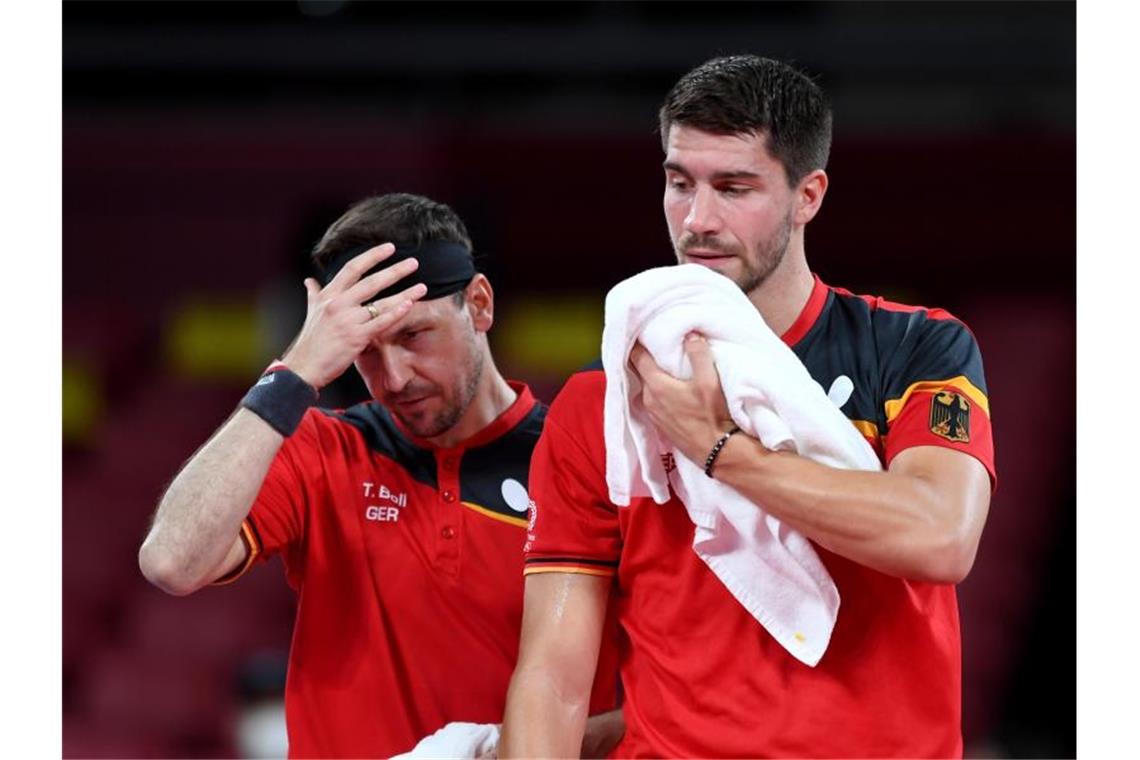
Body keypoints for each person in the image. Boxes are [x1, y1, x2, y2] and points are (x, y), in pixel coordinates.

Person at [500, 55, 995, 758]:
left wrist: (722, 451)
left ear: (808, 195)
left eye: (734, 188)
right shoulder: (603, 401)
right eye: (679, 183)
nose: (697, 220)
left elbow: (940, 536)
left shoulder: (916, 348)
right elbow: (552, 674)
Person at [139, 193, 621, 758]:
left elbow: (659, 703)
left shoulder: (585, 459)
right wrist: (294, 372)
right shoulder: (323, 449)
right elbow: (171, 560)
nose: (393, 378)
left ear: (481, 304)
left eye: (414, 336)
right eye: (365, 350)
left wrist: (504, 751)